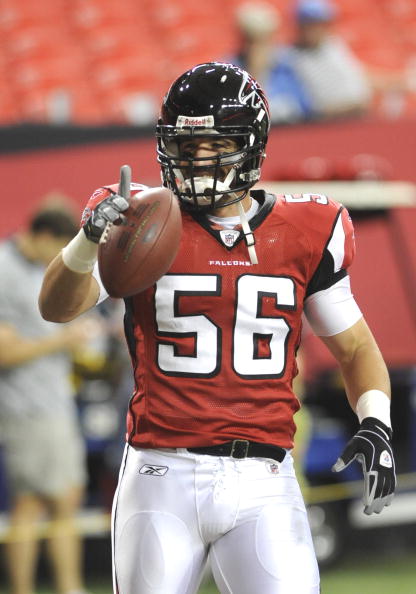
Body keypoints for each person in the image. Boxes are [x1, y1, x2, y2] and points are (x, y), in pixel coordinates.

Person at [39, 62, 396, 594]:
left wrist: (376, 422)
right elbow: (57, 307)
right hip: (162, 472)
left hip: (266, 477)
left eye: (214, 143)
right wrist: (88, 240)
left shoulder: (307, 230)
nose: (197, 159)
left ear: (250, 143)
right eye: (185, 146)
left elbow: (355, 348)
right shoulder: (140, 223)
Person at [0, 207, 92, 594]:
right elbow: (4, 353)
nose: (60, 256)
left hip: (53, 403)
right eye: (58, 246)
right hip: (27, 409)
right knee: (31, 505)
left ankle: (70, 588)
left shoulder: (35, 269)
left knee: (64, 500)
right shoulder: (5, 271)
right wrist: (64, 341)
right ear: (40, 236)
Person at [283, 0, 372, 120]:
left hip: (357, 117)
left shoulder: (334, 45)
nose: (314, 30)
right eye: (309, 24)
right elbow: (307, 108)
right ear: (299, 26)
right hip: (325, 125)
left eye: (319, 23)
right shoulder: (289, 57)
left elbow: (359, 79)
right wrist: (348, 108)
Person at [229, 1, 313, 124]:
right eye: (251, 40)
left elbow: (305, 109)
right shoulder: (230, 71)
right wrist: (256, 74)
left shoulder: (287, 66)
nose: (256, 48)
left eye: (262, 40)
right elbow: (238, 117)